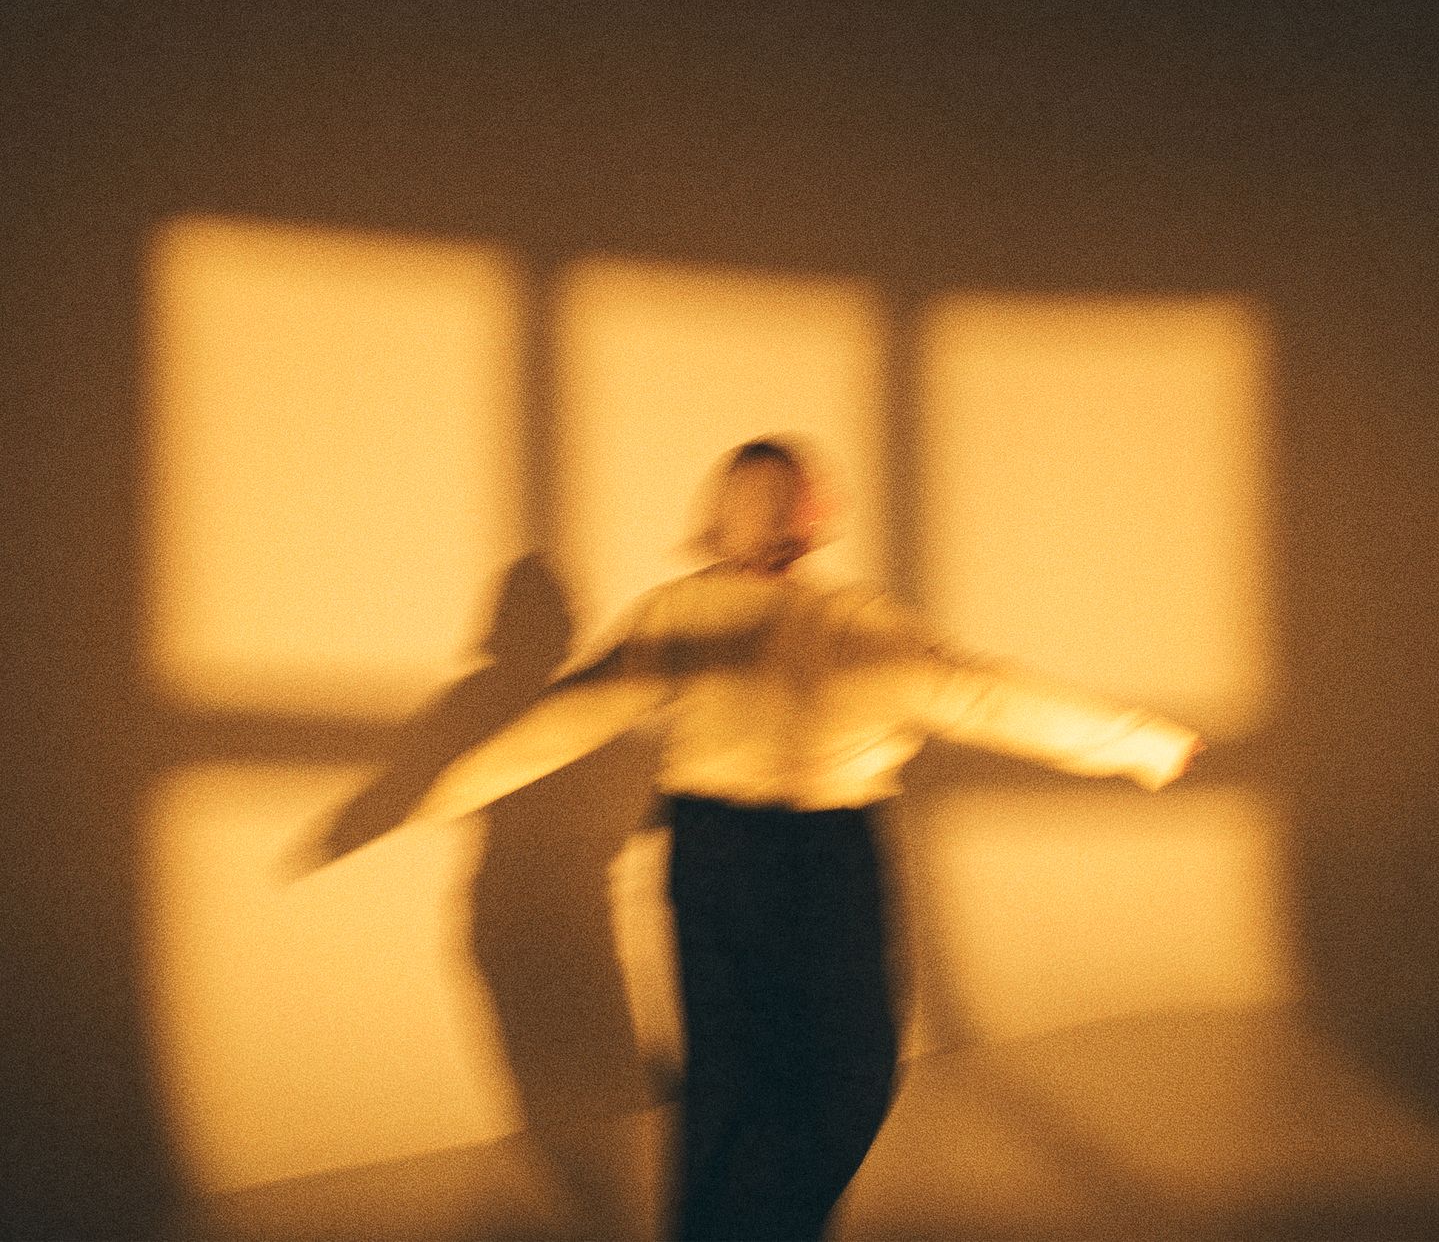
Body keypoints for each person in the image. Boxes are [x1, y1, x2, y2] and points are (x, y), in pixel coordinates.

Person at [406, 437, 1201, 1242]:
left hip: (717, 854)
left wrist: (446, 788)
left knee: (734, 1086)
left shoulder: (688, 614)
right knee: (839, 1074)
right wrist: (1144, 743)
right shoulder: (841, 623)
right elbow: (986, 696)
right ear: (808, 515)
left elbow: (568, 717)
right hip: (819, 861)